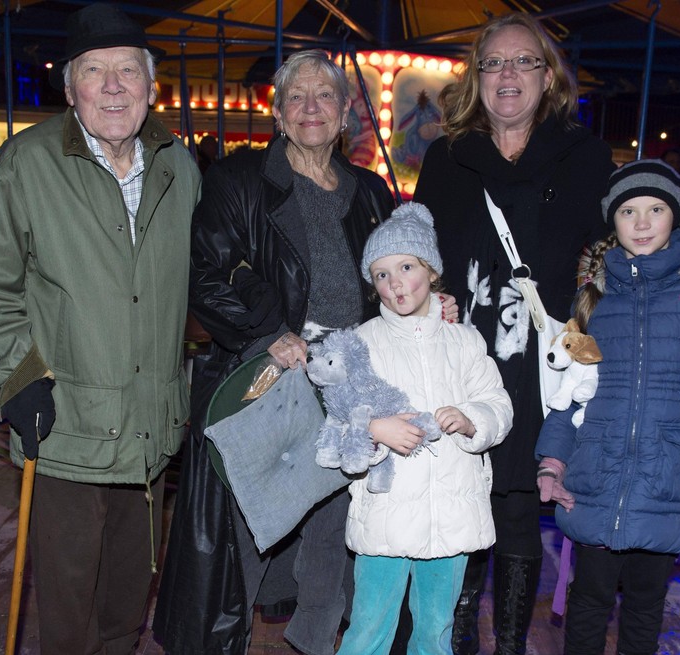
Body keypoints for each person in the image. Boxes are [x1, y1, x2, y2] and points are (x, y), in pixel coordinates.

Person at [153, 49, 457, 655]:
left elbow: (397, 278)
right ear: (279, 111)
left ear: (346, 112)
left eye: (325, 97)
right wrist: (270, 333)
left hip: (350, 382)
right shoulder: (238, 181)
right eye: (298, 97)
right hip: (266, 378)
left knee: (330, 532)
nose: (311, 108)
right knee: (246, 522)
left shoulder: (370, 192)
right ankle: (223, 642)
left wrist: (431, 307)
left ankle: (314, 642)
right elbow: (207, 273)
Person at [0, 4, 201, 653]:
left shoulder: (181, 167)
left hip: (149, 431)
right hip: (63, 427)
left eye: (128, 70)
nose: (114, 86)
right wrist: (18, 375)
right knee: (67, 613)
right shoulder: (24, 165)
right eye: (95, 71)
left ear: (152, 87)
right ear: (70, 89)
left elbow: (192, 282)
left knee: (125, 603)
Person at [412, 12, 615, 655]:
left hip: (542, 360)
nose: (507, 75)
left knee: (522, 499)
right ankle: (462, 633)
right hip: (463, 353)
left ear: (547, 76)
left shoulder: (583, 155)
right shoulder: (448, 156)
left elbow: (620, 246)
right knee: (465, 489)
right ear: (477, 77)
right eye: (493, 62)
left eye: (523, 61)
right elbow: (421, 248)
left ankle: (510, 643)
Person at [536, 159, 680, 655]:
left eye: (656, 209)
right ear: (612, 222)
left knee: (646, 601)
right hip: (598, 474)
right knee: (588, 598)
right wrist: (552, 460)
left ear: (676, 217)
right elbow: (572, 389)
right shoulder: (594, 297)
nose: (642, 222)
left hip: (670, 478)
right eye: (628, 211)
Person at [336, 202, 513, 654]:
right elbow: (338, 424)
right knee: (368, 627)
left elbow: (498, 403)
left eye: (406, 267)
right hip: (386, 516)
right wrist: (376, 428)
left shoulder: (465, 340)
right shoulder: (363, 344)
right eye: (381, 274)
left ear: (432, 271)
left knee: (435, 628)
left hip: (451, 517)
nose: (395, 282)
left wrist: (474, 419)